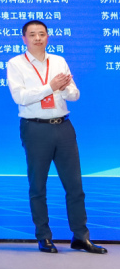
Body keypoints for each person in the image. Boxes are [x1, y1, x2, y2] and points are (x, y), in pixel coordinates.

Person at [6, 20, 107, 254]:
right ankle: (44, 237)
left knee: (75, 185)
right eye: (32, 34)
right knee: (38, 186)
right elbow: (20, 97)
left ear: (48, 37)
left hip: (63, 127)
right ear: (24, 38)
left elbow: (75, 94)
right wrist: (50, 87)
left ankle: (81, 236)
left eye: (42, 34)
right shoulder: (15, 63)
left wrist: (65, 89)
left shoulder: (59, 61)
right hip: (35, 128)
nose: (38, 38)